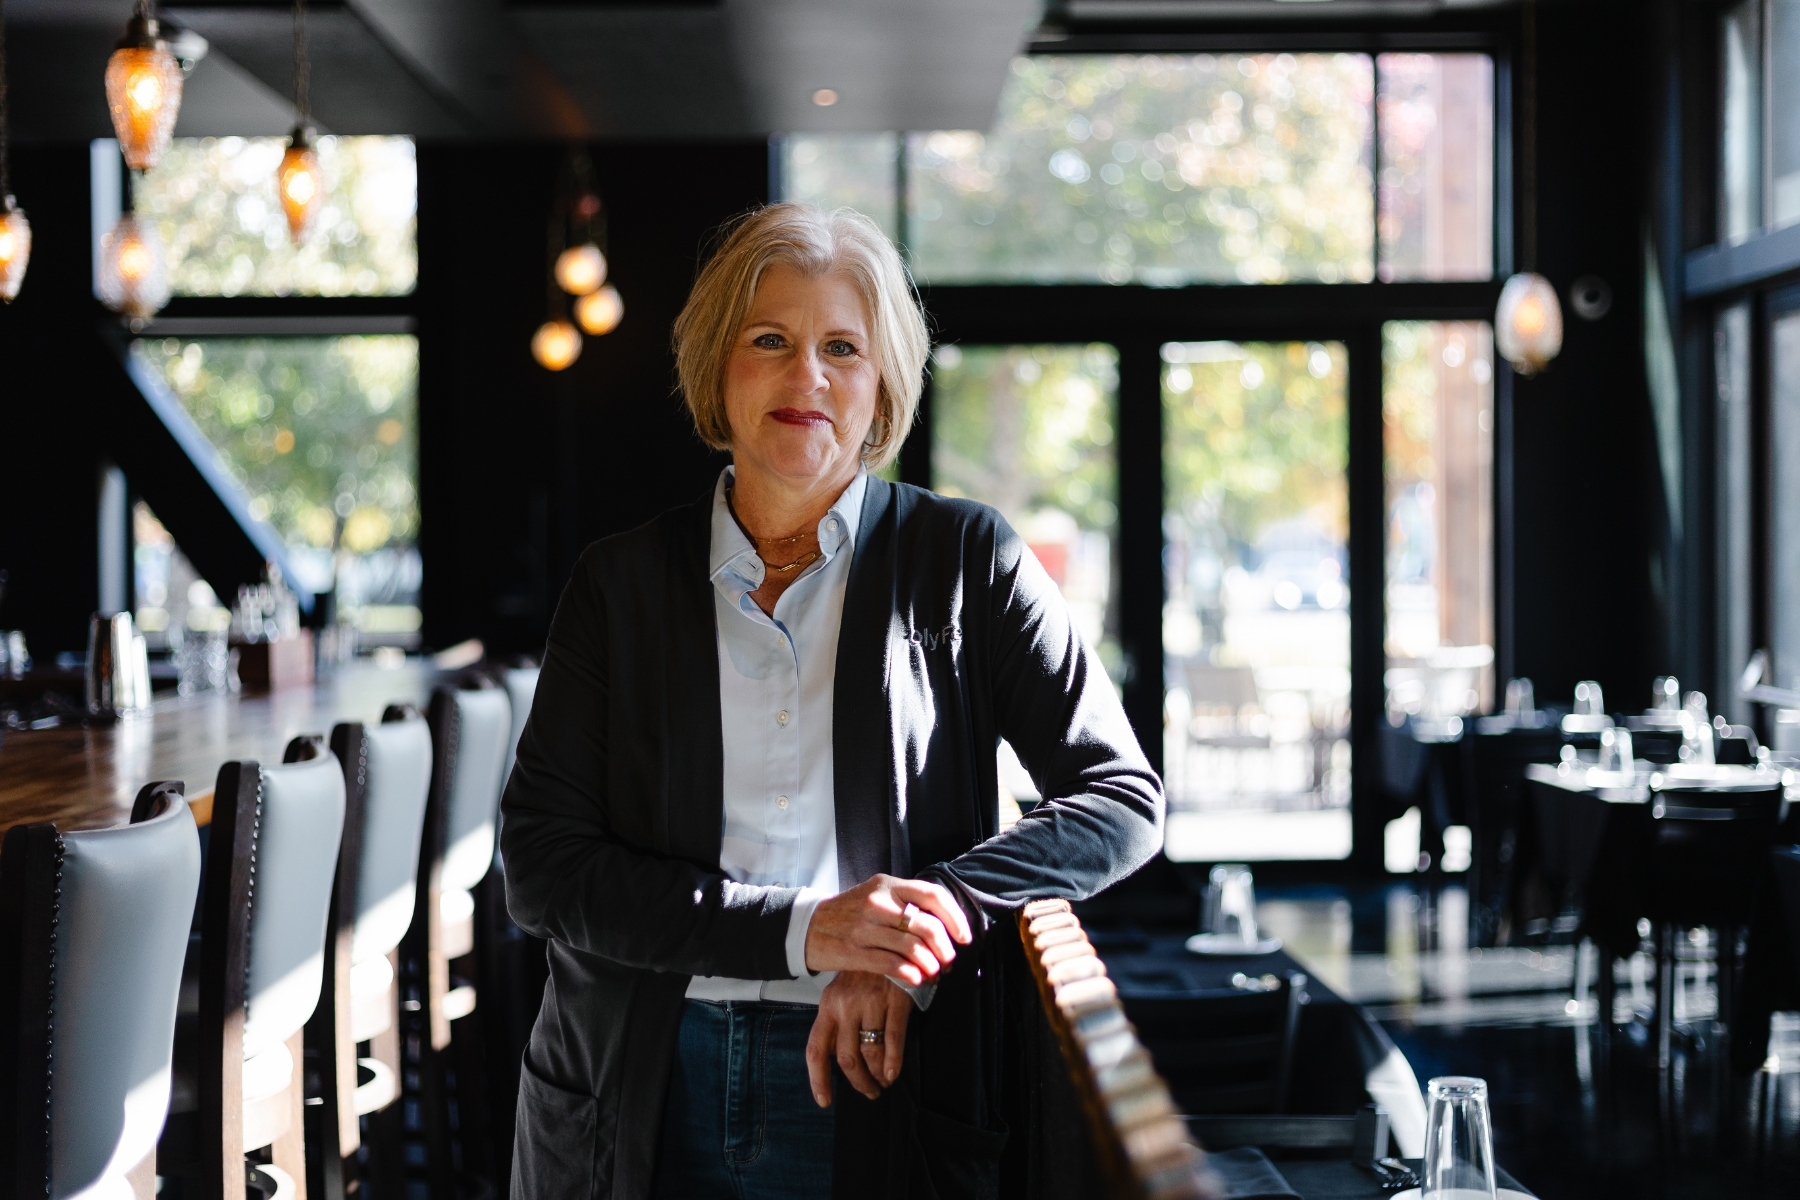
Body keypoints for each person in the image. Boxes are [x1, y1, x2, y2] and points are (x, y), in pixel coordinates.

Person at [500, 203, 1163, 1200]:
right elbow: (542, 869)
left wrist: (926, 918)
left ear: (883, 384)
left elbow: (1121, 798)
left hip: (880, 1079)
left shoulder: (966, 561)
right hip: (639, 1084)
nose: (806, 375)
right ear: (719, 369)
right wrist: (808, 929)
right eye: (770, 340)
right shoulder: (618, 584)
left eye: (841, 347)